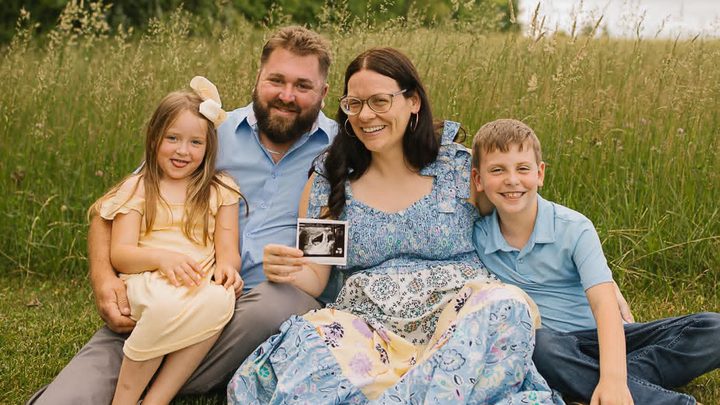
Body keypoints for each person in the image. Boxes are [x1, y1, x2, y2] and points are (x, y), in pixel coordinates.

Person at [228, 48, 562, 404]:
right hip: (370, 329)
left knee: (506, 304)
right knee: (305, 349)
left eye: (380, 101)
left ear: (413, 101)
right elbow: (316, 276)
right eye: (354, 104)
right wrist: (288, 269)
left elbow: (527, 223)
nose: (365, 115)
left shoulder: (459, 168)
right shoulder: (330, 180)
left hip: (462, 323)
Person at [27, 26, 336, 405]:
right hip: (169, 294)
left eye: (302, 86)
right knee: (64, 400)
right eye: (277, 80)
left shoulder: (338, 153)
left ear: (323, 92)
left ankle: (153, 377)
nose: (286, 95)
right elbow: (111, 211)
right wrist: (104, 279)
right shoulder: (206, 131)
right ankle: (151, 364)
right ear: (258, 79)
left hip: (257, 309)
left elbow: (325, 257)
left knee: (280, 302)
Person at [470, 118, 720, 405]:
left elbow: (604, 306)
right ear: (478, 179)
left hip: (611, 338)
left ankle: (592, 383)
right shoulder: (477, 237)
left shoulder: (574, 227)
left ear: (540, 174)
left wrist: (613, 378)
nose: (512, 180)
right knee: (537, 344)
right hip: (553, 348)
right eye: (498, 170)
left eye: (523, 168)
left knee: (713, 329)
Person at [94, 78, 245, 404]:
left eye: (195, 142)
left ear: (209, 148)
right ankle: (124, 398)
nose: (182, 150)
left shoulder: (221, 190)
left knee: (220, 300)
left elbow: (228, 251)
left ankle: (157, 399)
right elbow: (121, 254)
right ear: (154, 139)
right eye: (172, 138)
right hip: (147, 280)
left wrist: (228, 269)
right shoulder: (137, 188)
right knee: (163, 307)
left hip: (195, 283)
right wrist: (162, 259)